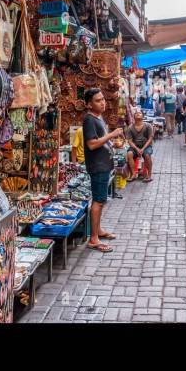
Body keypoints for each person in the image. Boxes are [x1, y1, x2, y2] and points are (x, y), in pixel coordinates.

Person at [83, 88, 123, 253]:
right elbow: (91, 144)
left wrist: (111, 144)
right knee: (98, 201)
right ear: (89, 104)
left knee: (101, 200)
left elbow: (100, 142)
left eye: (103, 99)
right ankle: (93, 239)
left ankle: (98, 231)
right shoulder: (89, 120)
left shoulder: (98, 118)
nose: (103, 102)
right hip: (98, 166)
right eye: (98, 100)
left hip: (104, 164)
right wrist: (111, 135)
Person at [125, 111, 155, 182]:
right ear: (133, 117)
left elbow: (150, 139)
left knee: (147, 155)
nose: (138, 114)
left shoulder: (148, 126)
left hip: (146, 146)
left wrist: (143, 149)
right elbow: (129, 141)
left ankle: (149, 175)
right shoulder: (130, 127)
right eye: (136, 113)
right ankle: (133, 174)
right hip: (135, 147)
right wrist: (137, 149)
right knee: (129, 154)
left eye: (140, 113)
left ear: (142, 116)